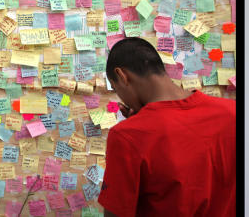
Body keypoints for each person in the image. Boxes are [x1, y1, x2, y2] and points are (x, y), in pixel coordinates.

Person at [97, 37, 236, 217]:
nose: (122, 99)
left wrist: (137, 128)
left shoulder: (126, 136)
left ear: (122, 76)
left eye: (117, 90)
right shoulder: (232, 112)